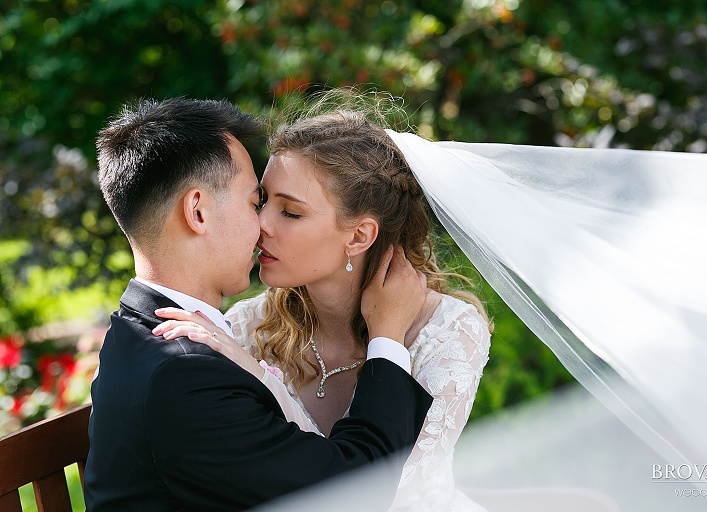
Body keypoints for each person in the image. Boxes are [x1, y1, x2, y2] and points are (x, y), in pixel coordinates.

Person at [83, 97, 434, 512]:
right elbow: (353, 491)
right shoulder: (182, 373)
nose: (263, 224)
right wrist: (388, 337)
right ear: (197, 211)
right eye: (255, 202)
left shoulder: (135, 331)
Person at [155, 100, 493, 511]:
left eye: (291, 212)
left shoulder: (446, 331)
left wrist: (260, 377)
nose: (262, 223)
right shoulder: (246, 326)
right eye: (263, 201)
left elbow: (371, 495)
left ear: (358, 236)